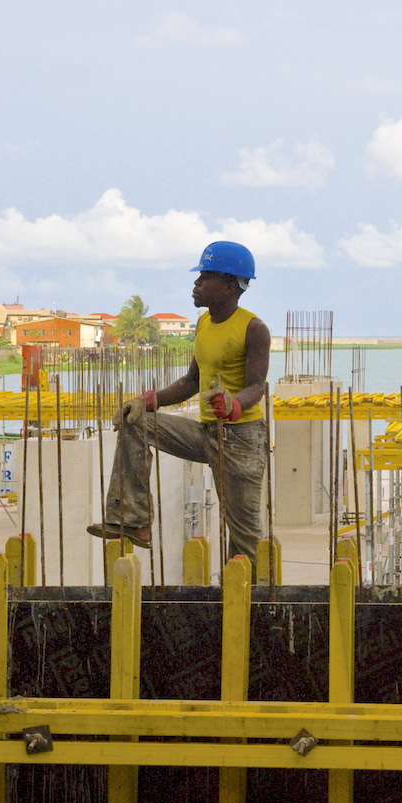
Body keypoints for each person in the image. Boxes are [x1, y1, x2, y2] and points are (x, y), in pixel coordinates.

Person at [91, 241, 271, 568]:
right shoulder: (203, 324)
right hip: (205, 433)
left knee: (244, 538)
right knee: (137, 422)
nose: (196, 284)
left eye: (205, 277)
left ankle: (249, 604)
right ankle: (133, 519)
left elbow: (257, 386)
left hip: (241, 438)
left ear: (230, 285)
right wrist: (146, 401)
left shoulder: (253, 328)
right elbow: (190, 382)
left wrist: (233, 403)